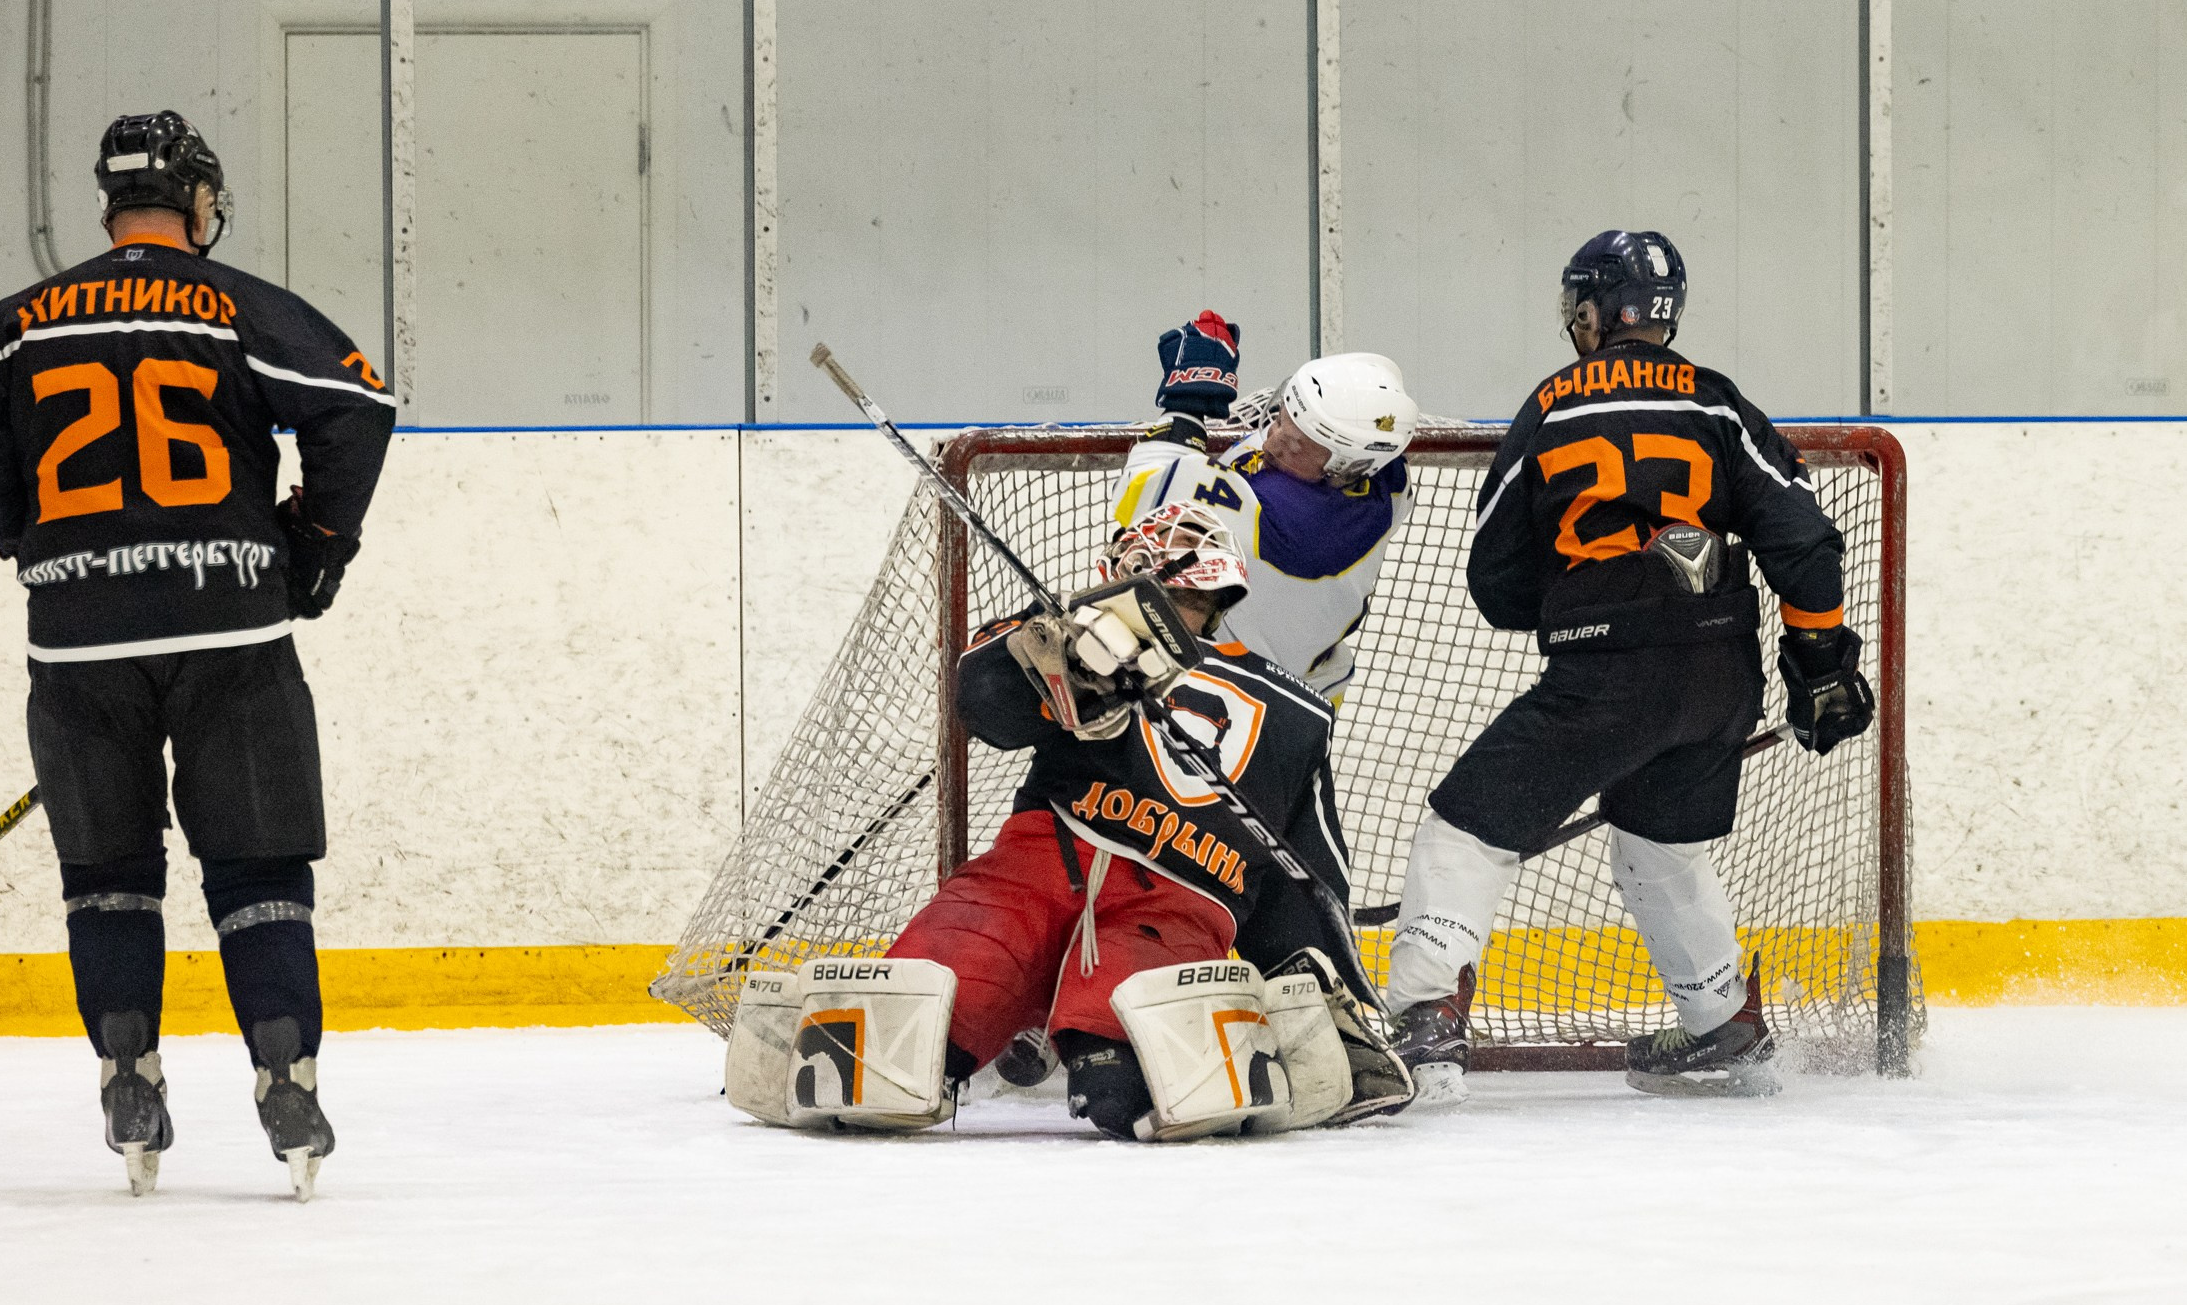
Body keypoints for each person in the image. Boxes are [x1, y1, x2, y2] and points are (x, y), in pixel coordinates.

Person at [0, 110, 395, 1198]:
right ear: (197, 204)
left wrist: (39, 547)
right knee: (257, 868)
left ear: (107, 205)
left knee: (108, 873)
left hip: (78, 645)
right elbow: (358, 405)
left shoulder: (20, 321)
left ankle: (129, 1067)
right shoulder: (230, 305)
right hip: (231, 629)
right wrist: (315, 546)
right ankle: (287, 1068)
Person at [722, 505, 1410, 1140]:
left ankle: (1074, 1037)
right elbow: (983, 699)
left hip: (1167, 911)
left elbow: (1297, 868)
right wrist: (1060, 673)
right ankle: (997, 1028)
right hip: (1030, 875)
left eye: (1186, 597)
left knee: (1125, 1085)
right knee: (893, 1044)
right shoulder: (1058, 635)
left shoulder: (1292, 712)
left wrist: (1318, 995)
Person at [1382, 230, 1873, 1102]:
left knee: (1469, 823)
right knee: (1661, 844)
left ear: (1596, 310)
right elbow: (1803, 542)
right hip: (1722, 671)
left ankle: (1426, 1016)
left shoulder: (1555, 404)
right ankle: (1720, 1022)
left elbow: (1495, 580)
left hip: (1604, 672)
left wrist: (1580, 605)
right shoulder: (1717, 403)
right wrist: (1822, 659)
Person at [1112, 312, 1419, 703]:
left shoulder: (1291, 524)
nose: (1272, 441)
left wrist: (1186, 403)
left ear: (1348, 465)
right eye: (1282, 420)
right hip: (1308, 682)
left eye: (1295, 444)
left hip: (1238, 697)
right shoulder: (1386, 480)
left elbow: (1140, 491)